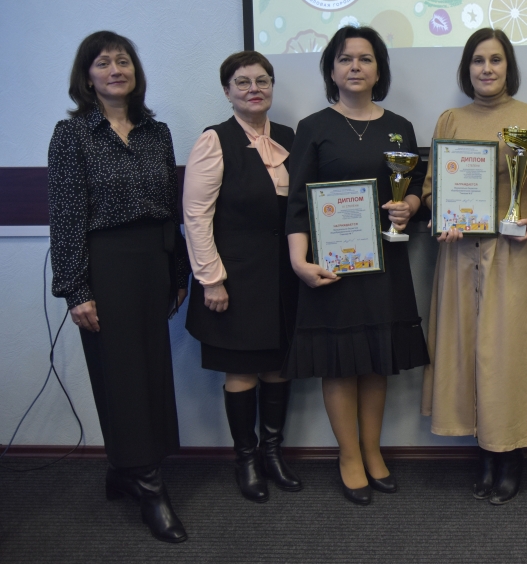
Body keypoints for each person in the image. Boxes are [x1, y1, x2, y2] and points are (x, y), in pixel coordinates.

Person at [47, 31, 190, 543]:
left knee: (150, 372)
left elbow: (170, 208)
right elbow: (65, 215)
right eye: (103, 63)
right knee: (121, 375)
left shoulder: (157, 132)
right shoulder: (72, 135)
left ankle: (124, 469)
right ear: (87, 77)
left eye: (123, 61)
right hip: (105, 266)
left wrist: (178, 272)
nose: (115, 70)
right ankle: (149, 485)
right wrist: (75, 289)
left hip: (153, 262)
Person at [284, 26, 429, 506]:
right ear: (331, 70)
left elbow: (414, 186)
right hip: (334, 266)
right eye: (345, 59)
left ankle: (372, 450)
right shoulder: (313, 127)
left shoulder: (400, 126)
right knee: (341, 362)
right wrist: (298, 260)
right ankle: (348, 456)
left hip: (385, 260)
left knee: (376, 361)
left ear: (379, 70)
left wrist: (409, 205)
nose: (355, 67)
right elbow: (298, 203)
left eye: (365, 59)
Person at [421, 28, 527, 505]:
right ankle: (483, 451)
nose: (487, 68)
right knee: (465, 352)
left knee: (509, 355)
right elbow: (431, 189)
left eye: (496, 59)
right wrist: (442, 216)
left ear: (508, 66)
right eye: (478, 60)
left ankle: (510, 455)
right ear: (467, 68)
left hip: (514, 252)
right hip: (459, 255)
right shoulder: (450, 120)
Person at [183, 51, 301, 503]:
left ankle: (273, 453)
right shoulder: (215, 140)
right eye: (243, 82)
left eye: (262, 80)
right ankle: (246, 459)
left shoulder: (289, 137)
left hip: (283, 276)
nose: (254, 89)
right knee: (242, 371)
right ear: (227, 91)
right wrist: (211, 278)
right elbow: (196, 216)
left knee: (278, 368)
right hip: (235, 278)